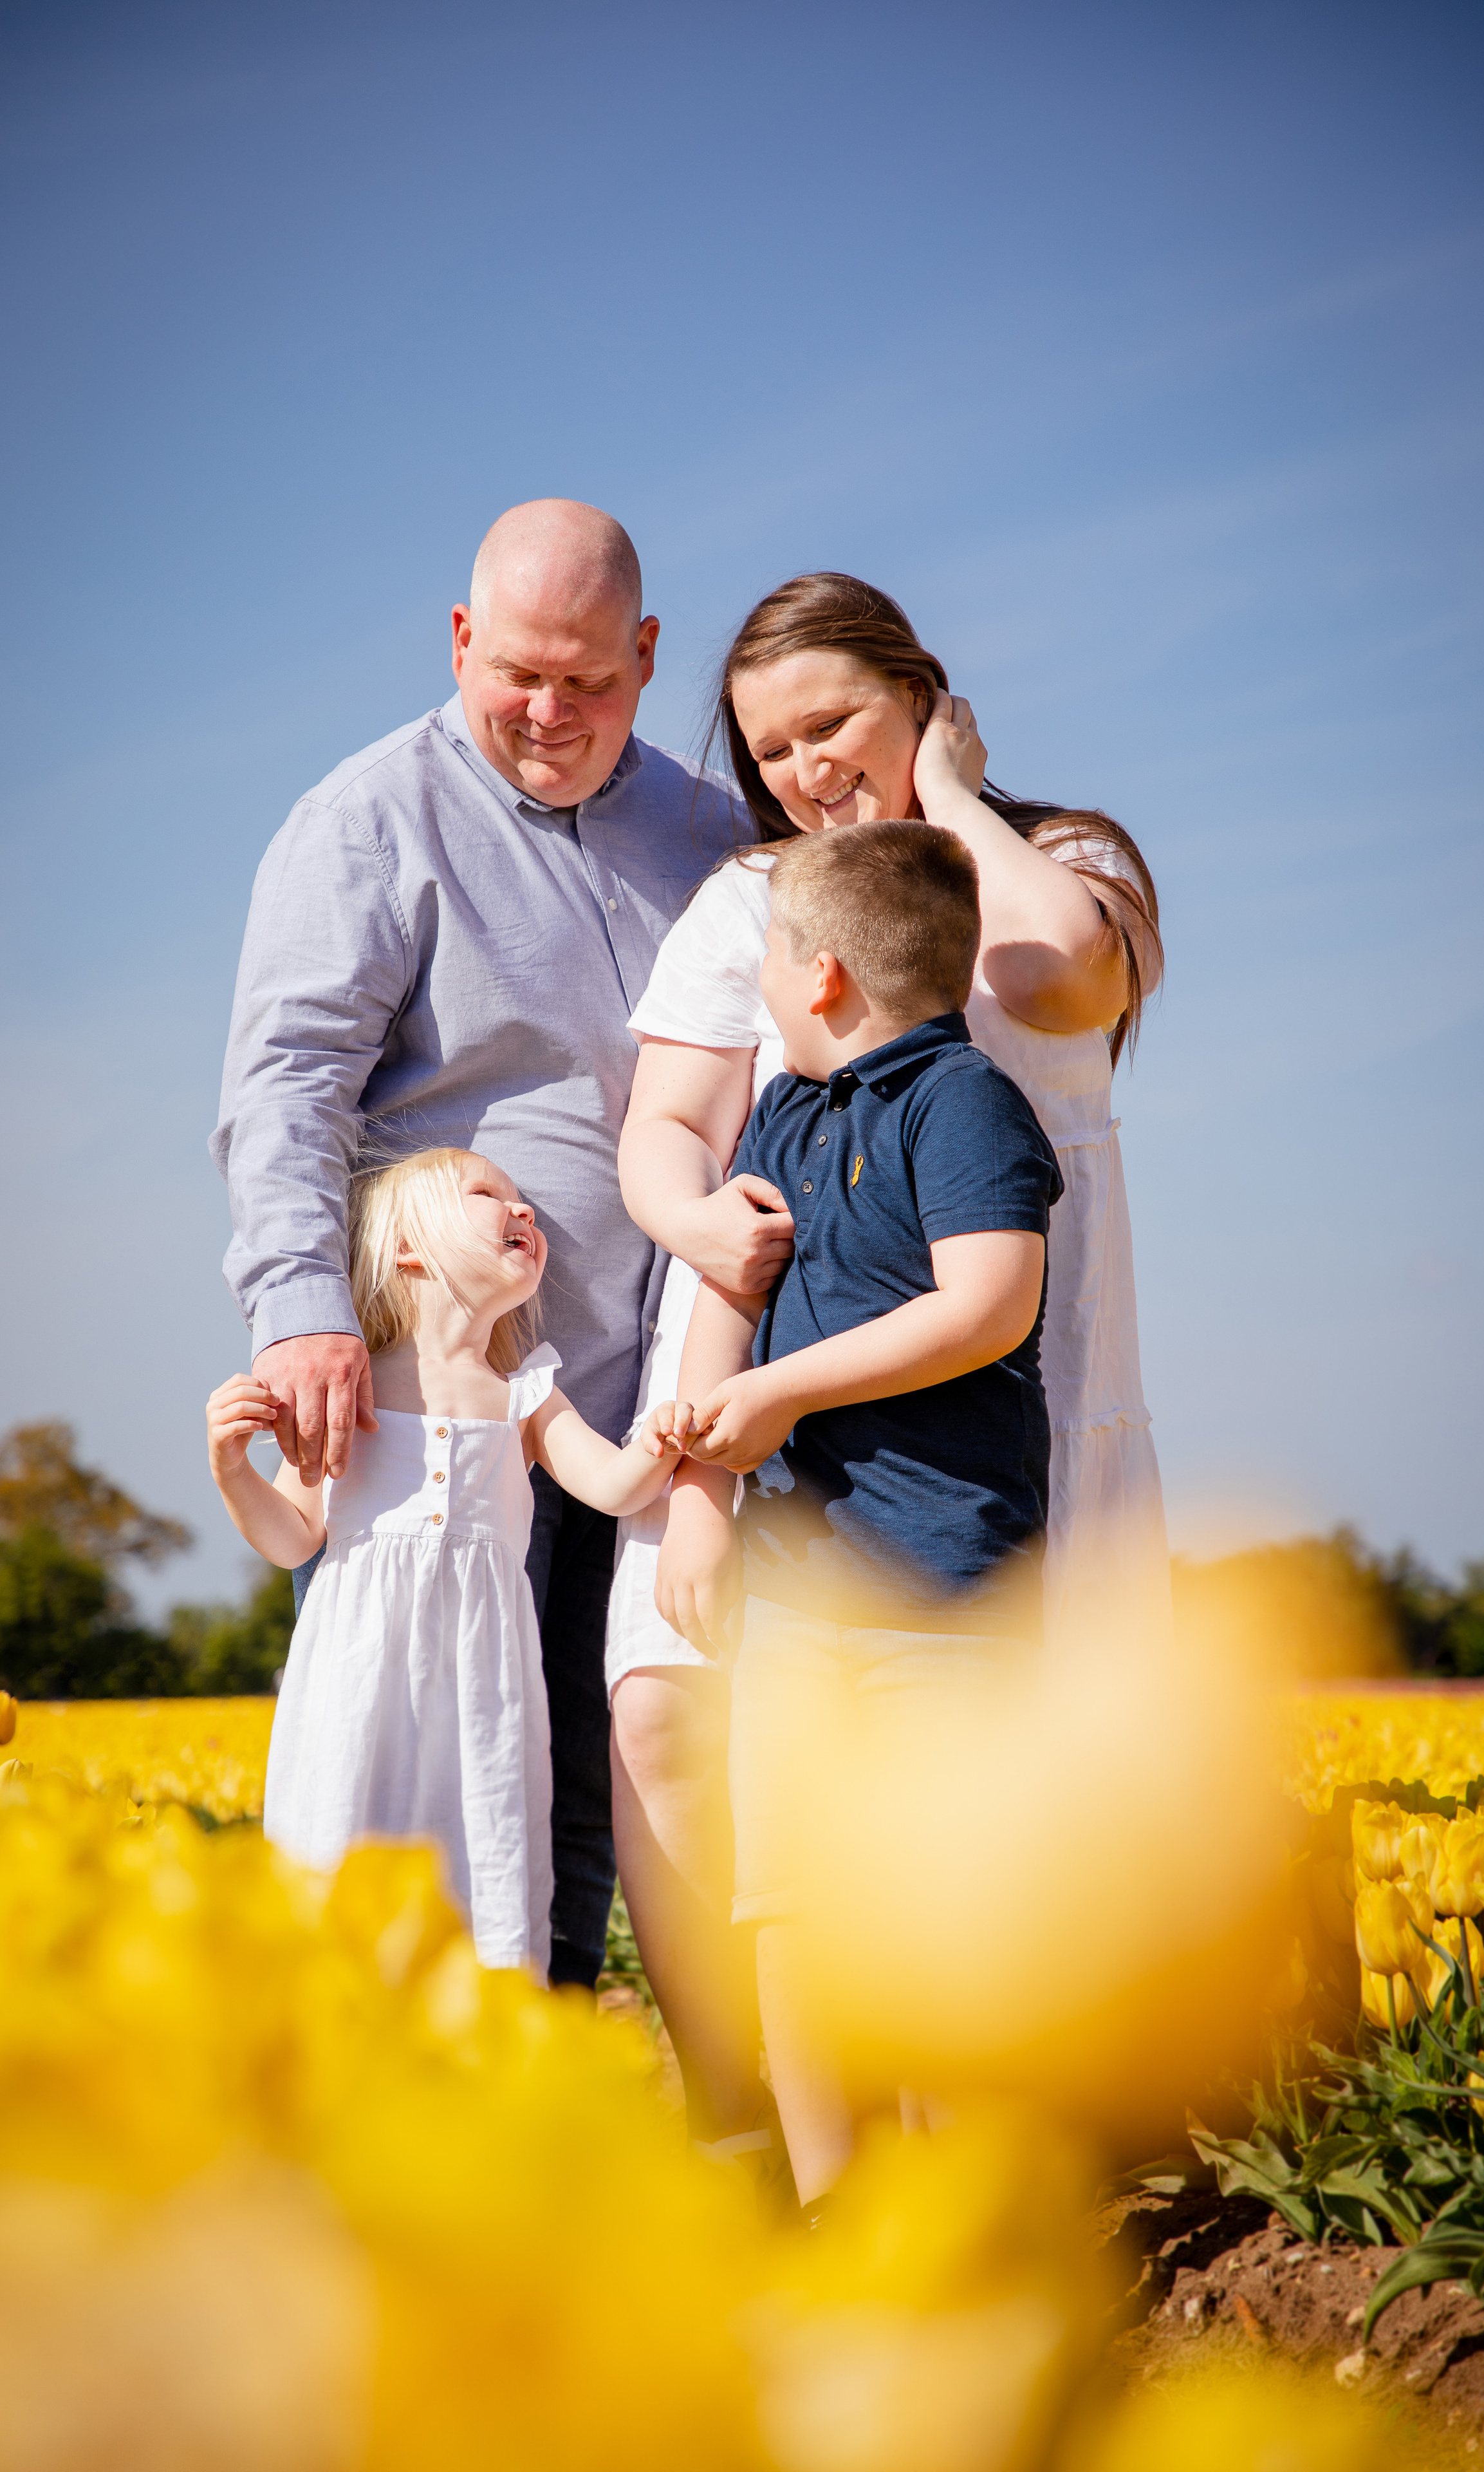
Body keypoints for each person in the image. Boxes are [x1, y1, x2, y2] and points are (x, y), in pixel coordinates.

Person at [607, 570, 1164, 2128]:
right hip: (784, 1337)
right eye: (767, 747)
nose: (802, 770)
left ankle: (1032, 2137)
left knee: (1017, 1768)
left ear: (918, 690)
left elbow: (1056, 972)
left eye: (831, 721)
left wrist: (955, 802)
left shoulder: (1057, 858)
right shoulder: (759, 904)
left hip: (1022, 1366)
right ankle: (771, 2134)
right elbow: (674, 1124)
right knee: (691, 1726)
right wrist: (690, 1228)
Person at [210, 499, 739, 1991]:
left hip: (649, 1398)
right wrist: (303, 1307)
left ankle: (545, 2108)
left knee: (577, 1783)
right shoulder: (366, 820)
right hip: (428, 1414)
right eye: (516, 672)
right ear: (459, 640)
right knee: (398, 1779)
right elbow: (285, 1084)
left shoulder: (710, 830)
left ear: (646, 658)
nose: (548, 711)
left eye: (589, 678)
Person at [662, 821, 1062, 2203]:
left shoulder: (963, 1102)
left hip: (944, 1582)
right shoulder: (780, 1109)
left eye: (768, 956)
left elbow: (988, 1302)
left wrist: (779, 1395)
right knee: (789, 1902)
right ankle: (834, 2211)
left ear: (819, 974)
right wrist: (704, 1496)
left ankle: (964, 2218)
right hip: (791, 1588)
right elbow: (732, 1294)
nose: (763, 981)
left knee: (948, 1907)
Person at [205, 1147, 692, 1976]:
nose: (525, 1211)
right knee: (345, 1825)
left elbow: (610, 1486)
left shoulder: (527, 1388)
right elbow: (292, 1534)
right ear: (405, 1245)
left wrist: (658, 1438)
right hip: (358, 1674)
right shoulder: (346, 1382)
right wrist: (228, 1467)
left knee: (482, 1841)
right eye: (489, 1194)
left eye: (524, 1201)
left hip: (483, 1683)